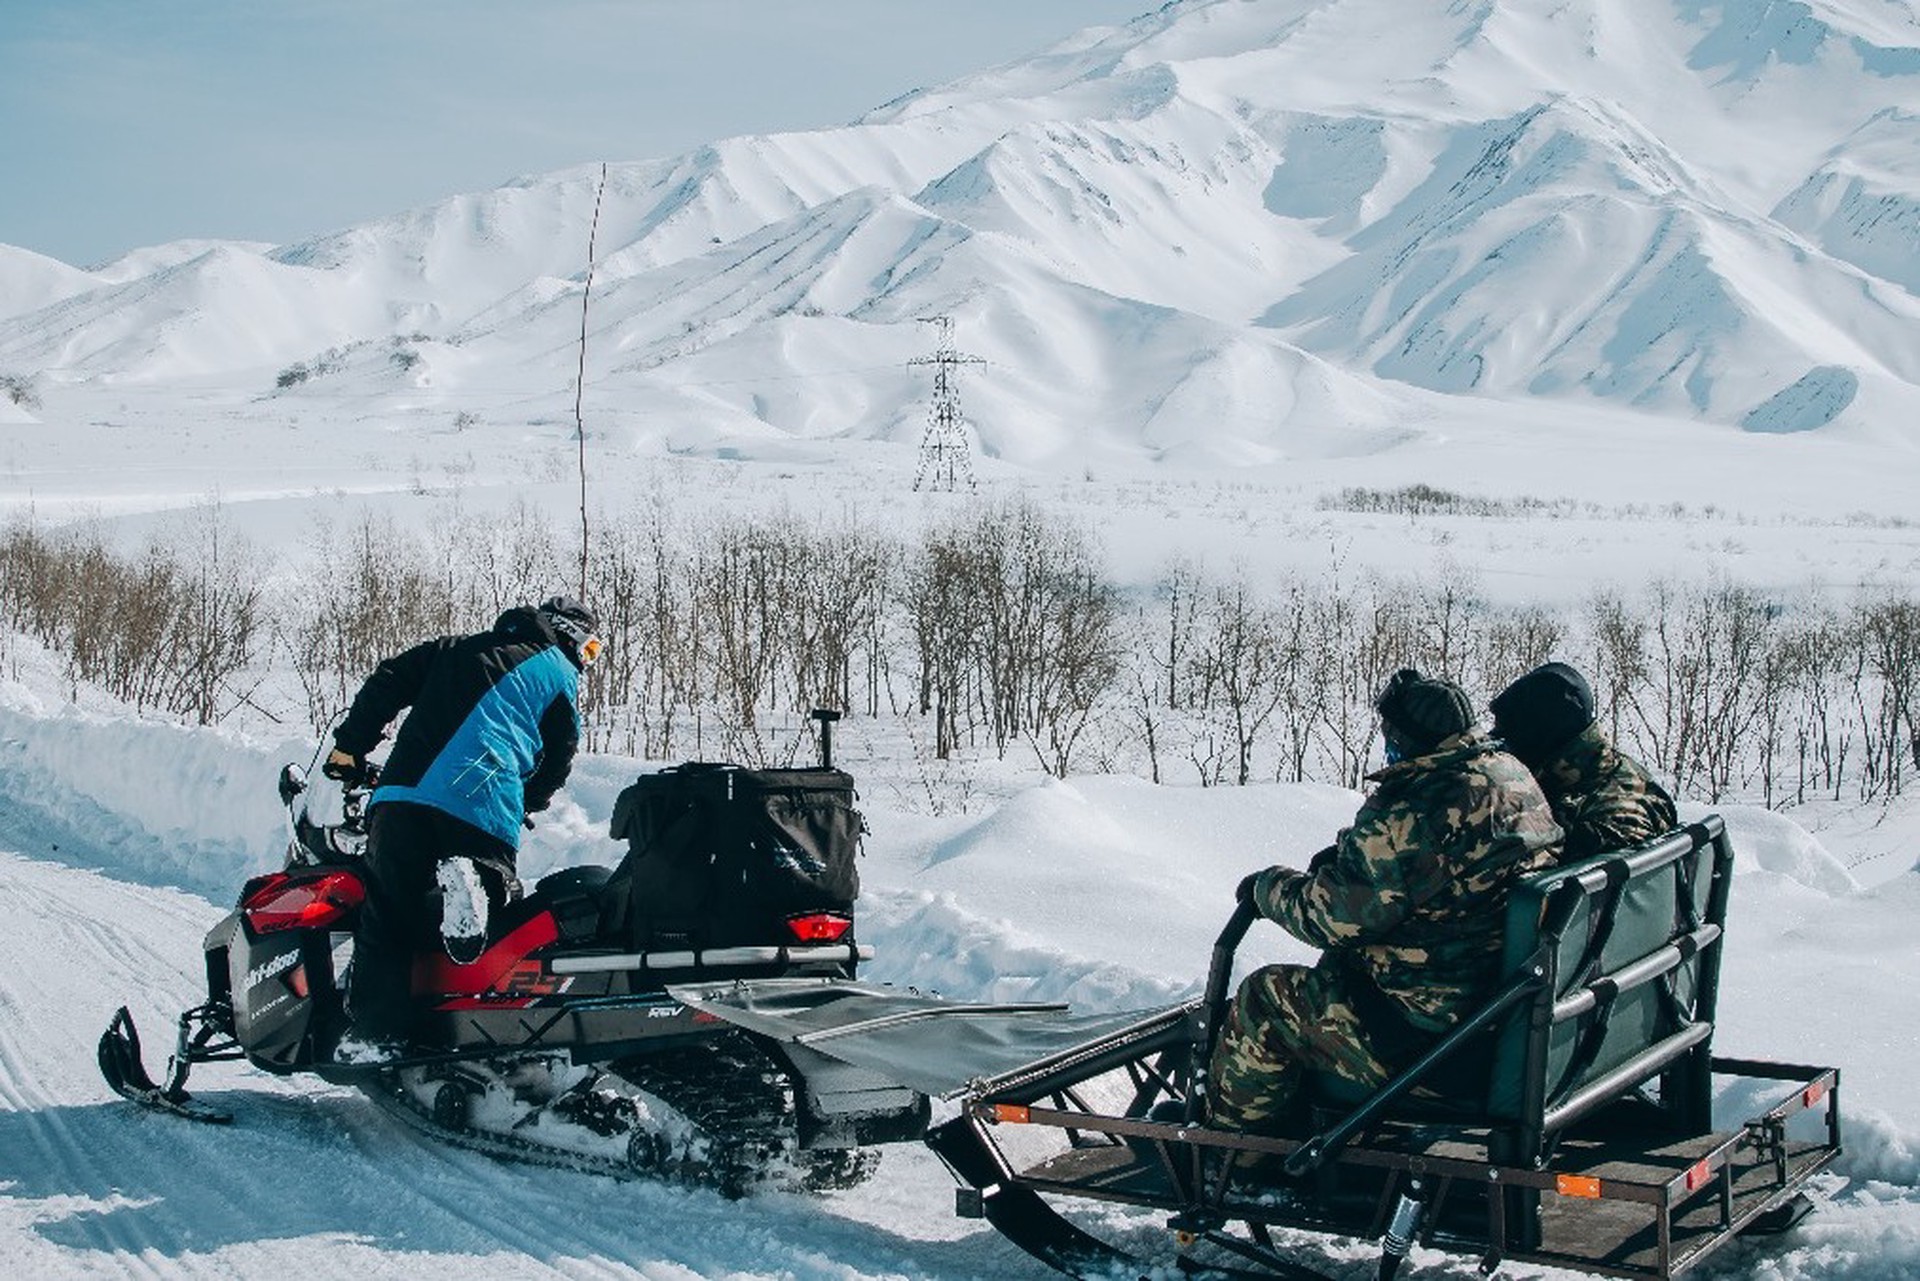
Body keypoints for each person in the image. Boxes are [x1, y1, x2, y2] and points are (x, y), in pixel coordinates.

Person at [1207, 668, 1563, 1141]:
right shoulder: (1509, 776)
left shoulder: (1413, 809)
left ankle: (1234, 1161)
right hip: (1493, 1009)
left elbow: (1331, 918)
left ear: (1403, 737)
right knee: (1331, 973)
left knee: (1266, 998)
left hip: (1430, 1038)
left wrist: (1266, 888)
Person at [324, 595, 601, 1059]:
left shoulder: (455, 647)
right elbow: (560, 754)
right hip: (482, 799)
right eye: (590, 648)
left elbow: (388, 679)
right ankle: (479, 881)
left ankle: (377, 1037)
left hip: (403, 796)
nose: (587, 659)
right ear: (569, 634)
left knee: (388, 916)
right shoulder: (558, 673)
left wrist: (351, 747)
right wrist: (531, 800)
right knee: (493, 910)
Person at [1489, 662, 1676, 862]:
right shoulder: (1604, 769)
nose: (1503, 751)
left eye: (1508, 740)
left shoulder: (1606, 824)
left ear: (1540, 742)